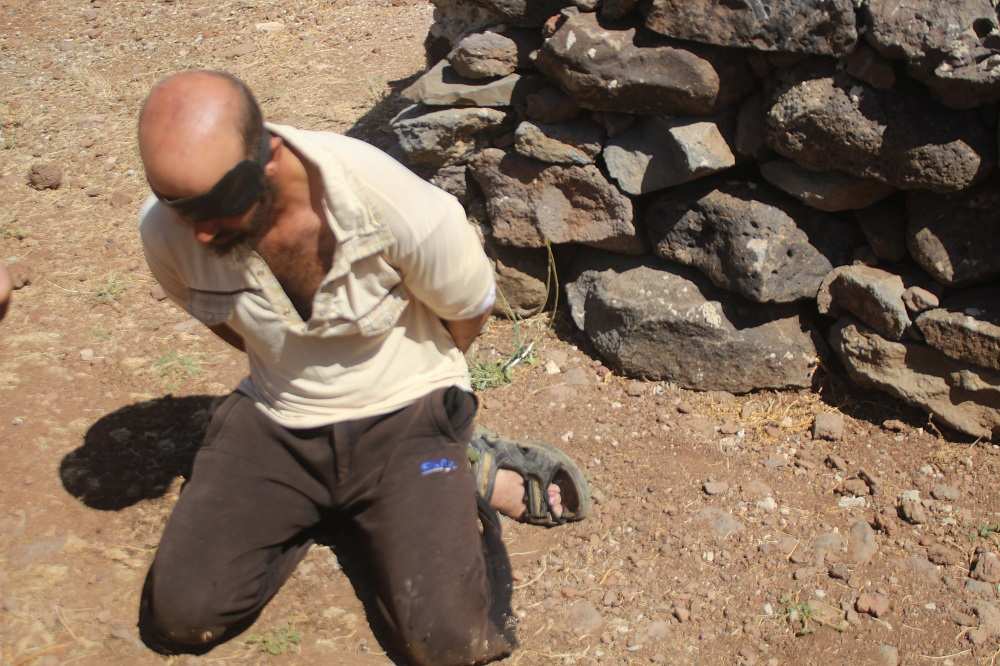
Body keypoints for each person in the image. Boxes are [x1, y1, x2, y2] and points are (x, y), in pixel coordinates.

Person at [135, 69, 590, 665]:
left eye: (214, 204)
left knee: (451, 643)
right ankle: (348, 504)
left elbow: (466, 312)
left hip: (406, 411)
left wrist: (425, 399)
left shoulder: (386, 199)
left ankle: (462, 466)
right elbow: (226, 326)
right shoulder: (166, 232)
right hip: (279, 415)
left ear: (268, 155)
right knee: (180, 616)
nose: (197, 230)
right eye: (177, 204)